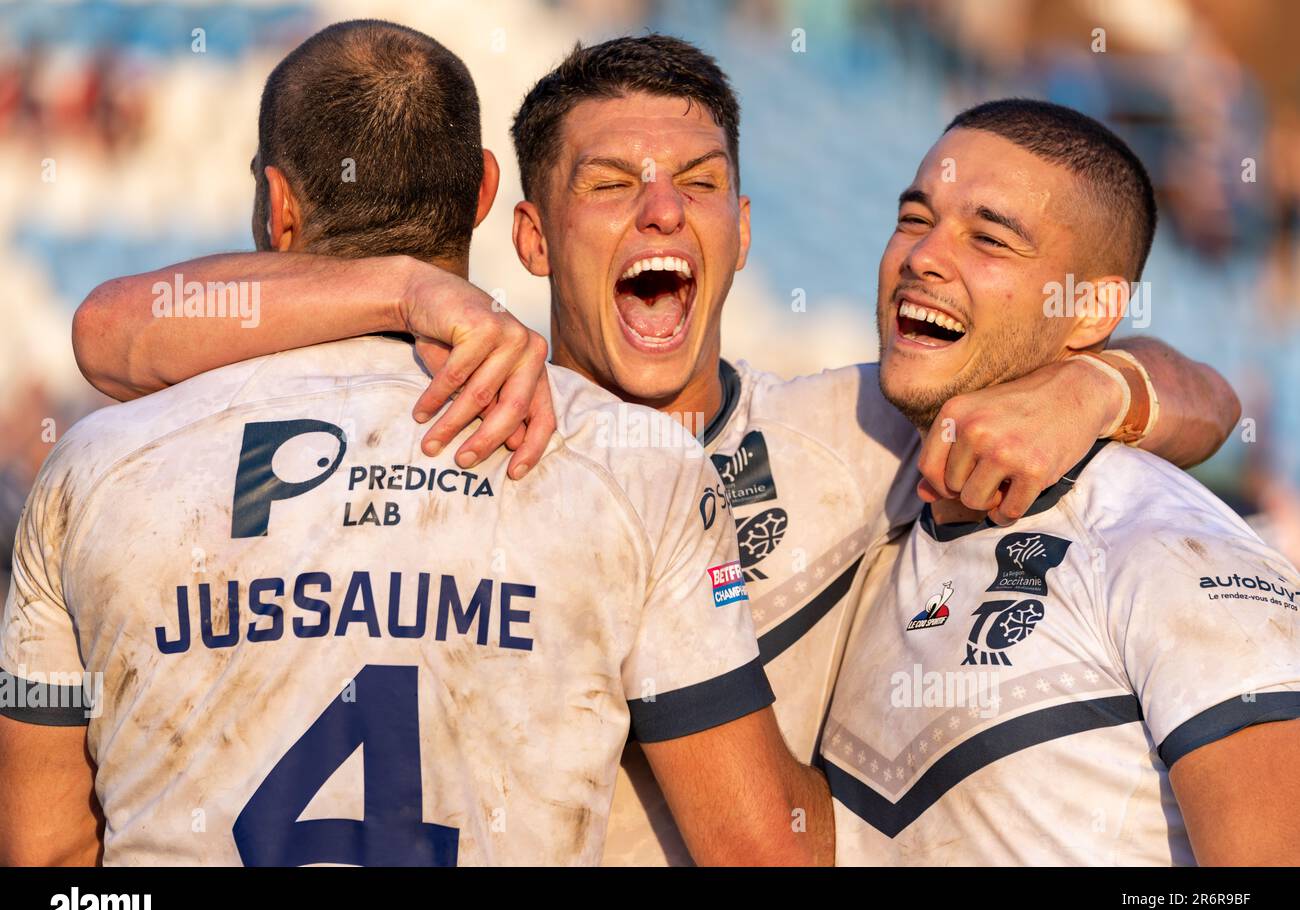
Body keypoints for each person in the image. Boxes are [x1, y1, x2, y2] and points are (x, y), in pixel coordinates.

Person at [69, 35, 1241, 865]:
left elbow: (1210, 403)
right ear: (526, 232)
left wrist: (1099, 387)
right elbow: (116, 331)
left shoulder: (860, 434)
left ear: (740, 229)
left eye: (698, 185)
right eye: (610, 185)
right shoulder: (463, 418)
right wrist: (407, 286)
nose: (660, 215)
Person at [0, 20, 832, 868]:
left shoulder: (93, 468)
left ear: (278, 205)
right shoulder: (629, 462)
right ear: (483, 194)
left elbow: (47, 860)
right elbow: (765, 851)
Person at [824, 99, 1300, 865]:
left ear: (1090, 309)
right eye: (915, 219)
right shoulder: (846, 467)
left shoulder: (1172, 551)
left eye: (988, 237)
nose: (923, 257)